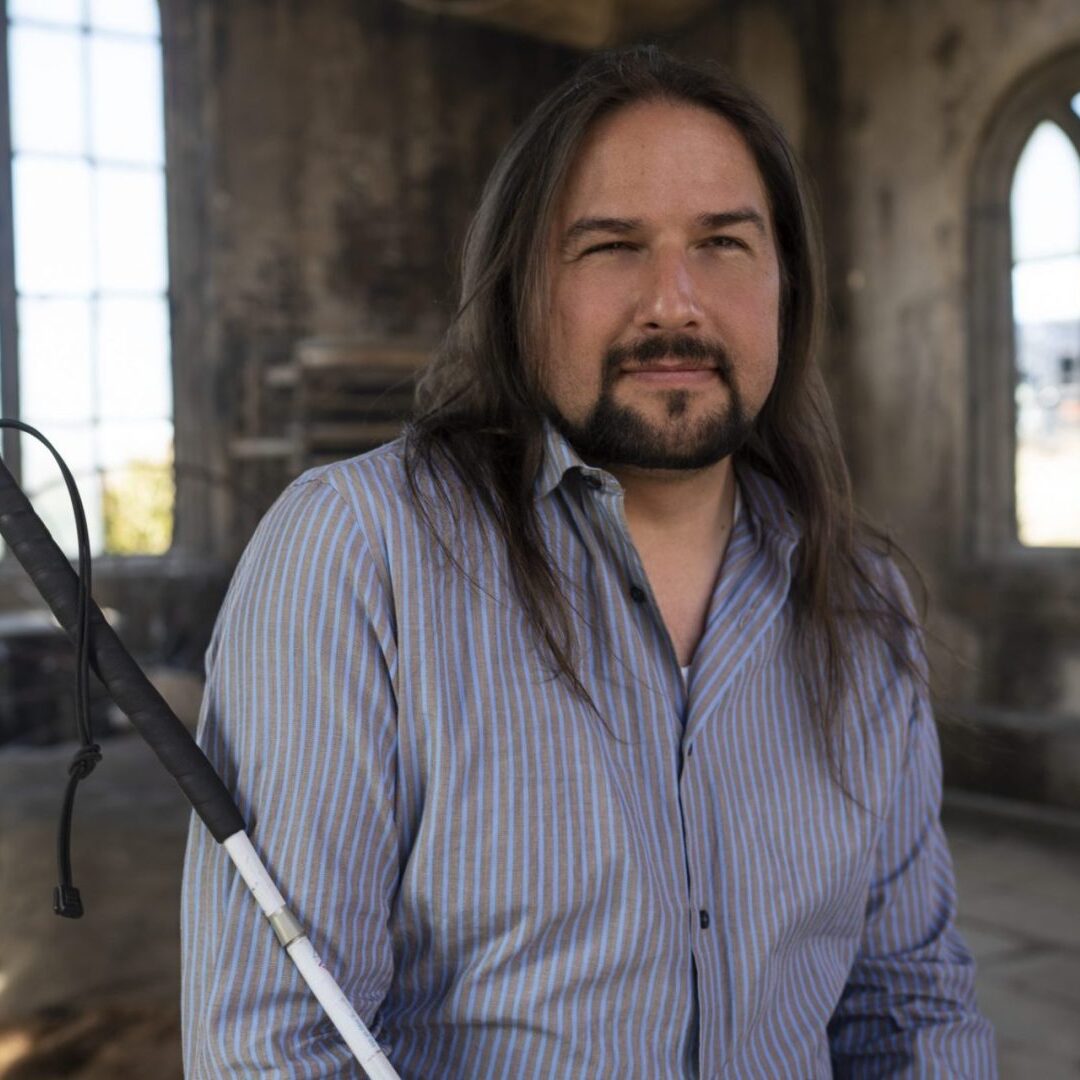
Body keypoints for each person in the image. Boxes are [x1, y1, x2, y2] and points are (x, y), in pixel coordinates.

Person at [181, 45, 997, 1078]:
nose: (674, 302)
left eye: (723, 244)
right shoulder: (359, 557)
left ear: (786, 284)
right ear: (521, 288)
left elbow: (911, 1008)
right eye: (611, 246)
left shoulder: (861, 603)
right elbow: (272, 1049)